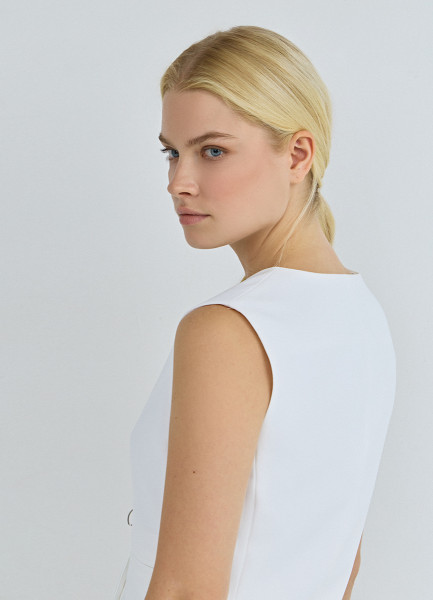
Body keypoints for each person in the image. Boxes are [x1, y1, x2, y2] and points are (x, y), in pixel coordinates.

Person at [113, 25, 396, 600]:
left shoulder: (228, 330)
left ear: (297, 154)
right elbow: (341, 565)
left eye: (212, 151)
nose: (178, 182)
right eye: (172, 152)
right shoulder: (362, 316)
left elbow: (186, 589)